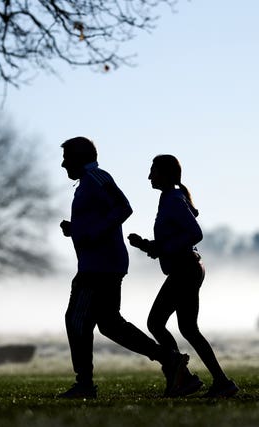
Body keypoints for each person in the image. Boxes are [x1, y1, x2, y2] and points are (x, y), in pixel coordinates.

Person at [57, 137, 190, 399]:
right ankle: (170, 359)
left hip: (99, 267)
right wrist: (77, 230)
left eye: (66, 158)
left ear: (80, 157)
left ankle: (84, 383)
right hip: (105, 264)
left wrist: (90, 233)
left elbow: (123, 207)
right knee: (109, 324)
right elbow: (103, 218)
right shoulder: (88, 181)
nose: (62, 164)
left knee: (76, 320)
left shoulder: (96, 178)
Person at [128, 154, 239, 398]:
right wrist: (147, 245)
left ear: (166, 174)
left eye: (153, 171)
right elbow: (174, 239)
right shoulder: (169, 198)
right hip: (186, 268)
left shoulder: (173, 200)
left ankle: (184, 377)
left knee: (156, 323)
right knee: (188, 328)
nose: (149, 176)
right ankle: (218, 381)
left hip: (185, 270)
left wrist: (160, 248)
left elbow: (194, 233)